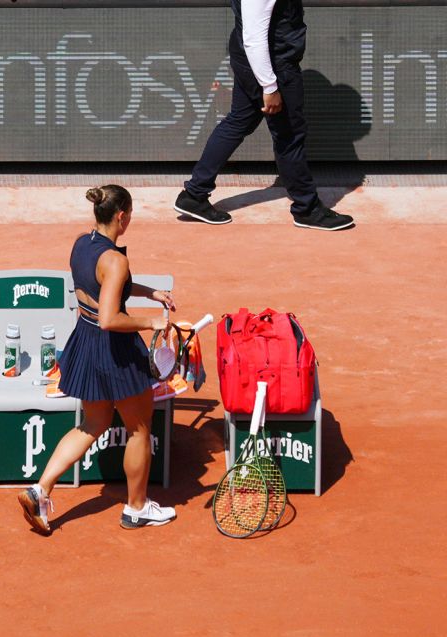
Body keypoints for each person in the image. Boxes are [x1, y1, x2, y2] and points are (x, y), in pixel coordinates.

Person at [18, 186, 178, 534]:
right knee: (139, 428)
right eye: (131, 214)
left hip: (86, 342)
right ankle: (136, 508)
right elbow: (110, 317)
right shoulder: (117, 260)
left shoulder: (82, 243)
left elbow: (104, 284)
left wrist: (149, 293)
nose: (131, 220)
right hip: (113, 349)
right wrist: (152, 320)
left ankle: (39, 489)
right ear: (122, 216)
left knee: (93, 423)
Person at [173, 0, 354, 232]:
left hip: (259, 61)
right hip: (272, 66)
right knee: (289, 135)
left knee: (239, 121)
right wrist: (269, 87)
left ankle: (194, 194)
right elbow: (254, 37)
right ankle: (307, 209)